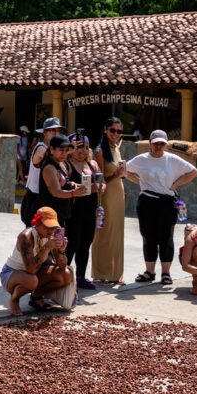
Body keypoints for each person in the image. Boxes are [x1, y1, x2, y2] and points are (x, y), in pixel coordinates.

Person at [124, 130, 197, 286]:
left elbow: (193, 172)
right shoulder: (141, 159)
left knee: (166, 238)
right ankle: (149, 271)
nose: (158, 146)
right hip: (146, 202)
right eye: (156, 143)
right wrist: (140, 182)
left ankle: (166, 273)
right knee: (148, 237)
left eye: (161, 143)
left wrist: (176, 184)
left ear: (165, 144)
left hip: (166, 202)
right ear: (150, 143)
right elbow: (125, 171)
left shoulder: (172, 159)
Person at [1, 207, 74, 316]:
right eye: (47, 227)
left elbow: (62, 266)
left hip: (33, 274)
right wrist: (46, 248)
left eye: (53, 228)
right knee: (31, 280)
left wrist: (61, 251)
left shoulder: (50, 236)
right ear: (38, 223)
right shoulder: (26, 236)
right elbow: (30, 269)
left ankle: (36, 297)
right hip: (12, 273)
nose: (50, 231)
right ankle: (14, 299)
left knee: (66, 274)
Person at [66, 131, 104, 291]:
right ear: (72, 147)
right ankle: (63, 275)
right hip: (73, 211)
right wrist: (76, 187)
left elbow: (102, 182)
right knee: (71, 244)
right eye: (80, 147)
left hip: (90, 209)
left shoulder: (92, 164)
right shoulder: (66, 165)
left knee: (85, 244)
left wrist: (100, 187)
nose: (83, 151)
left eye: (86, 147)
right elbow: (63, 184)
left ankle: (80, 277)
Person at [92, 117, 128, 285]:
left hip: (118, 194)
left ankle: (115, 273)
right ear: (105, 129)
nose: (116, 134)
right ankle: (101, 272)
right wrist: (116, 174)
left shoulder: (115, 148)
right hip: (107, 195)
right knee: (105, 233)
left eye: (119, 131)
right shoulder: (100, 151)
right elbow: (99, 179)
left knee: (117, 233)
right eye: (112, 130)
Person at [21, 117, 64, 225]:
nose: (56, 133)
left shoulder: (56, 150)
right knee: (34, 233)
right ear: (45, 132)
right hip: (36, 196)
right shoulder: (41, 148)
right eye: (52, 130)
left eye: (58, 130)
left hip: (48, 195)